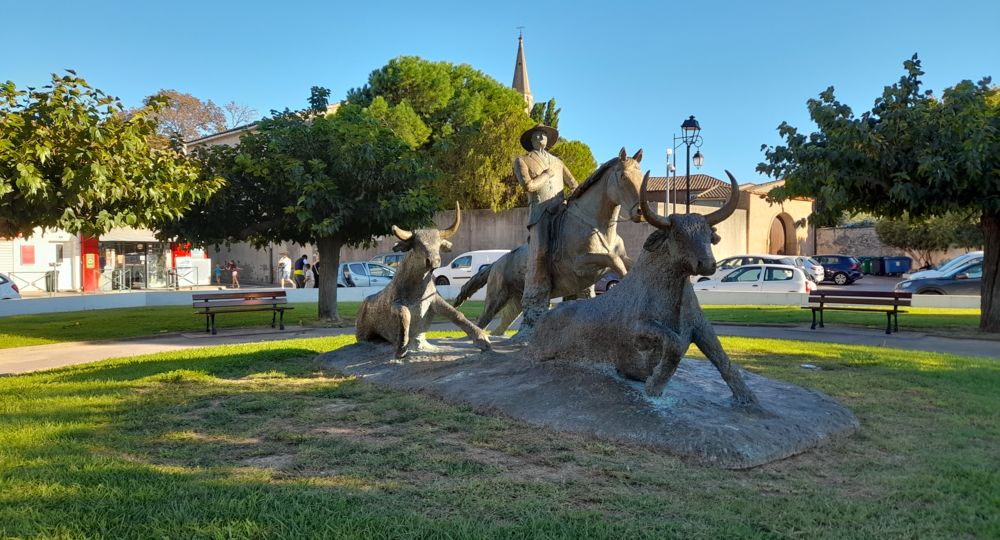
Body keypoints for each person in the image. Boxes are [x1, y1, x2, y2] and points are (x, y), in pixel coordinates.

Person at [512, 124, 578, 339]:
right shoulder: (522, 161)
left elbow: (573, 184)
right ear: (531, 140)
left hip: (561, 210)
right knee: (540, 252)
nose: (541, 137)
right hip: (540, 213)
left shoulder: (558, 162)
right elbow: (529, 187)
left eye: (544, 135)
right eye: (537, 135)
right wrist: (546, 175)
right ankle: (536, 290)